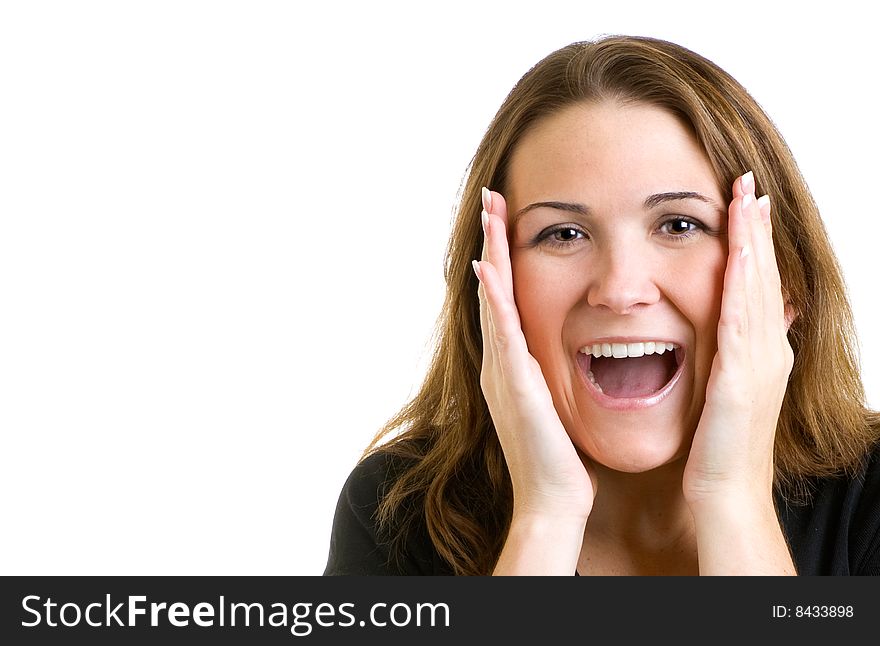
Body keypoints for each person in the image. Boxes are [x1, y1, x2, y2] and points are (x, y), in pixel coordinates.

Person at [323, 35, 880, 575]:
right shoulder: (393, 514)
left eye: (680, 225)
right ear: (492, 286)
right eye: (563, 234)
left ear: (785, 281)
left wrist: (732, 498)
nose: (619, 288)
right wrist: (545, 517)